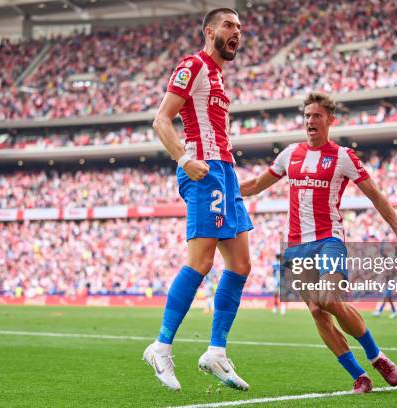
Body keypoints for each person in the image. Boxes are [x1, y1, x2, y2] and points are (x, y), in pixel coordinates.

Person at [240, 92, 397, 394]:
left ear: (330, 120)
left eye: (316, 116)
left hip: (328, 240)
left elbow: (375, 195)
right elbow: (255, 186)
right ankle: (359, 376)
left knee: (327, 297)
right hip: (295, 246)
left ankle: (376, 356)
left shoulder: (343, 156)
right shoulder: (290, 154)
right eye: (307, 116)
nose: (310, 121)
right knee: (317, 312)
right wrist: (218, 190)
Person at [143, 8, 253, 392]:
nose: (236, 31)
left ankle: (216, 352)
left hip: (225, 171)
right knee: (202, 261)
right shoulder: (194, 64)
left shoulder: (220, 77)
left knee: (240, 264)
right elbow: (161, 119)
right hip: (204, 171)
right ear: (209, 31)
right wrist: (185, 159)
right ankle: (160, 345)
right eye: (228, 25)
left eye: (239, 27)